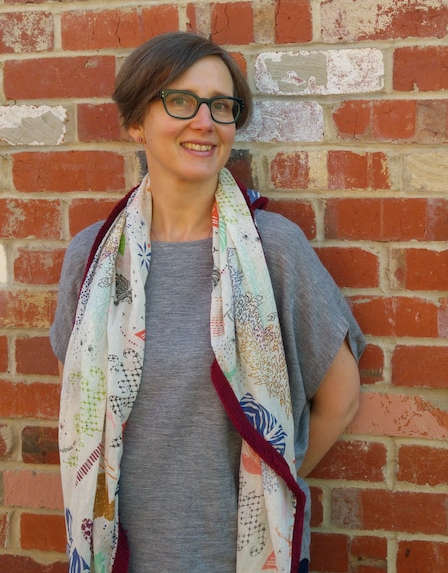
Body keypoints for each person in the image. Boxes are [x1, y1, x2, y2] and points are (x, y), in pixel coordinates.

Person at [50, 31, 364, 573]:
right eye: (180, 101)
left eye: (221, 106)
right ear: (135, 123)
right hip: (121, 553)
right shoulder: (91, 259)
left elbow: (341, 397)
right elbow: (83, 406)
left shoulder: (274, 250)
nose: (205, 121)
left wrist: (268, 485)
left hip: (240, 556)